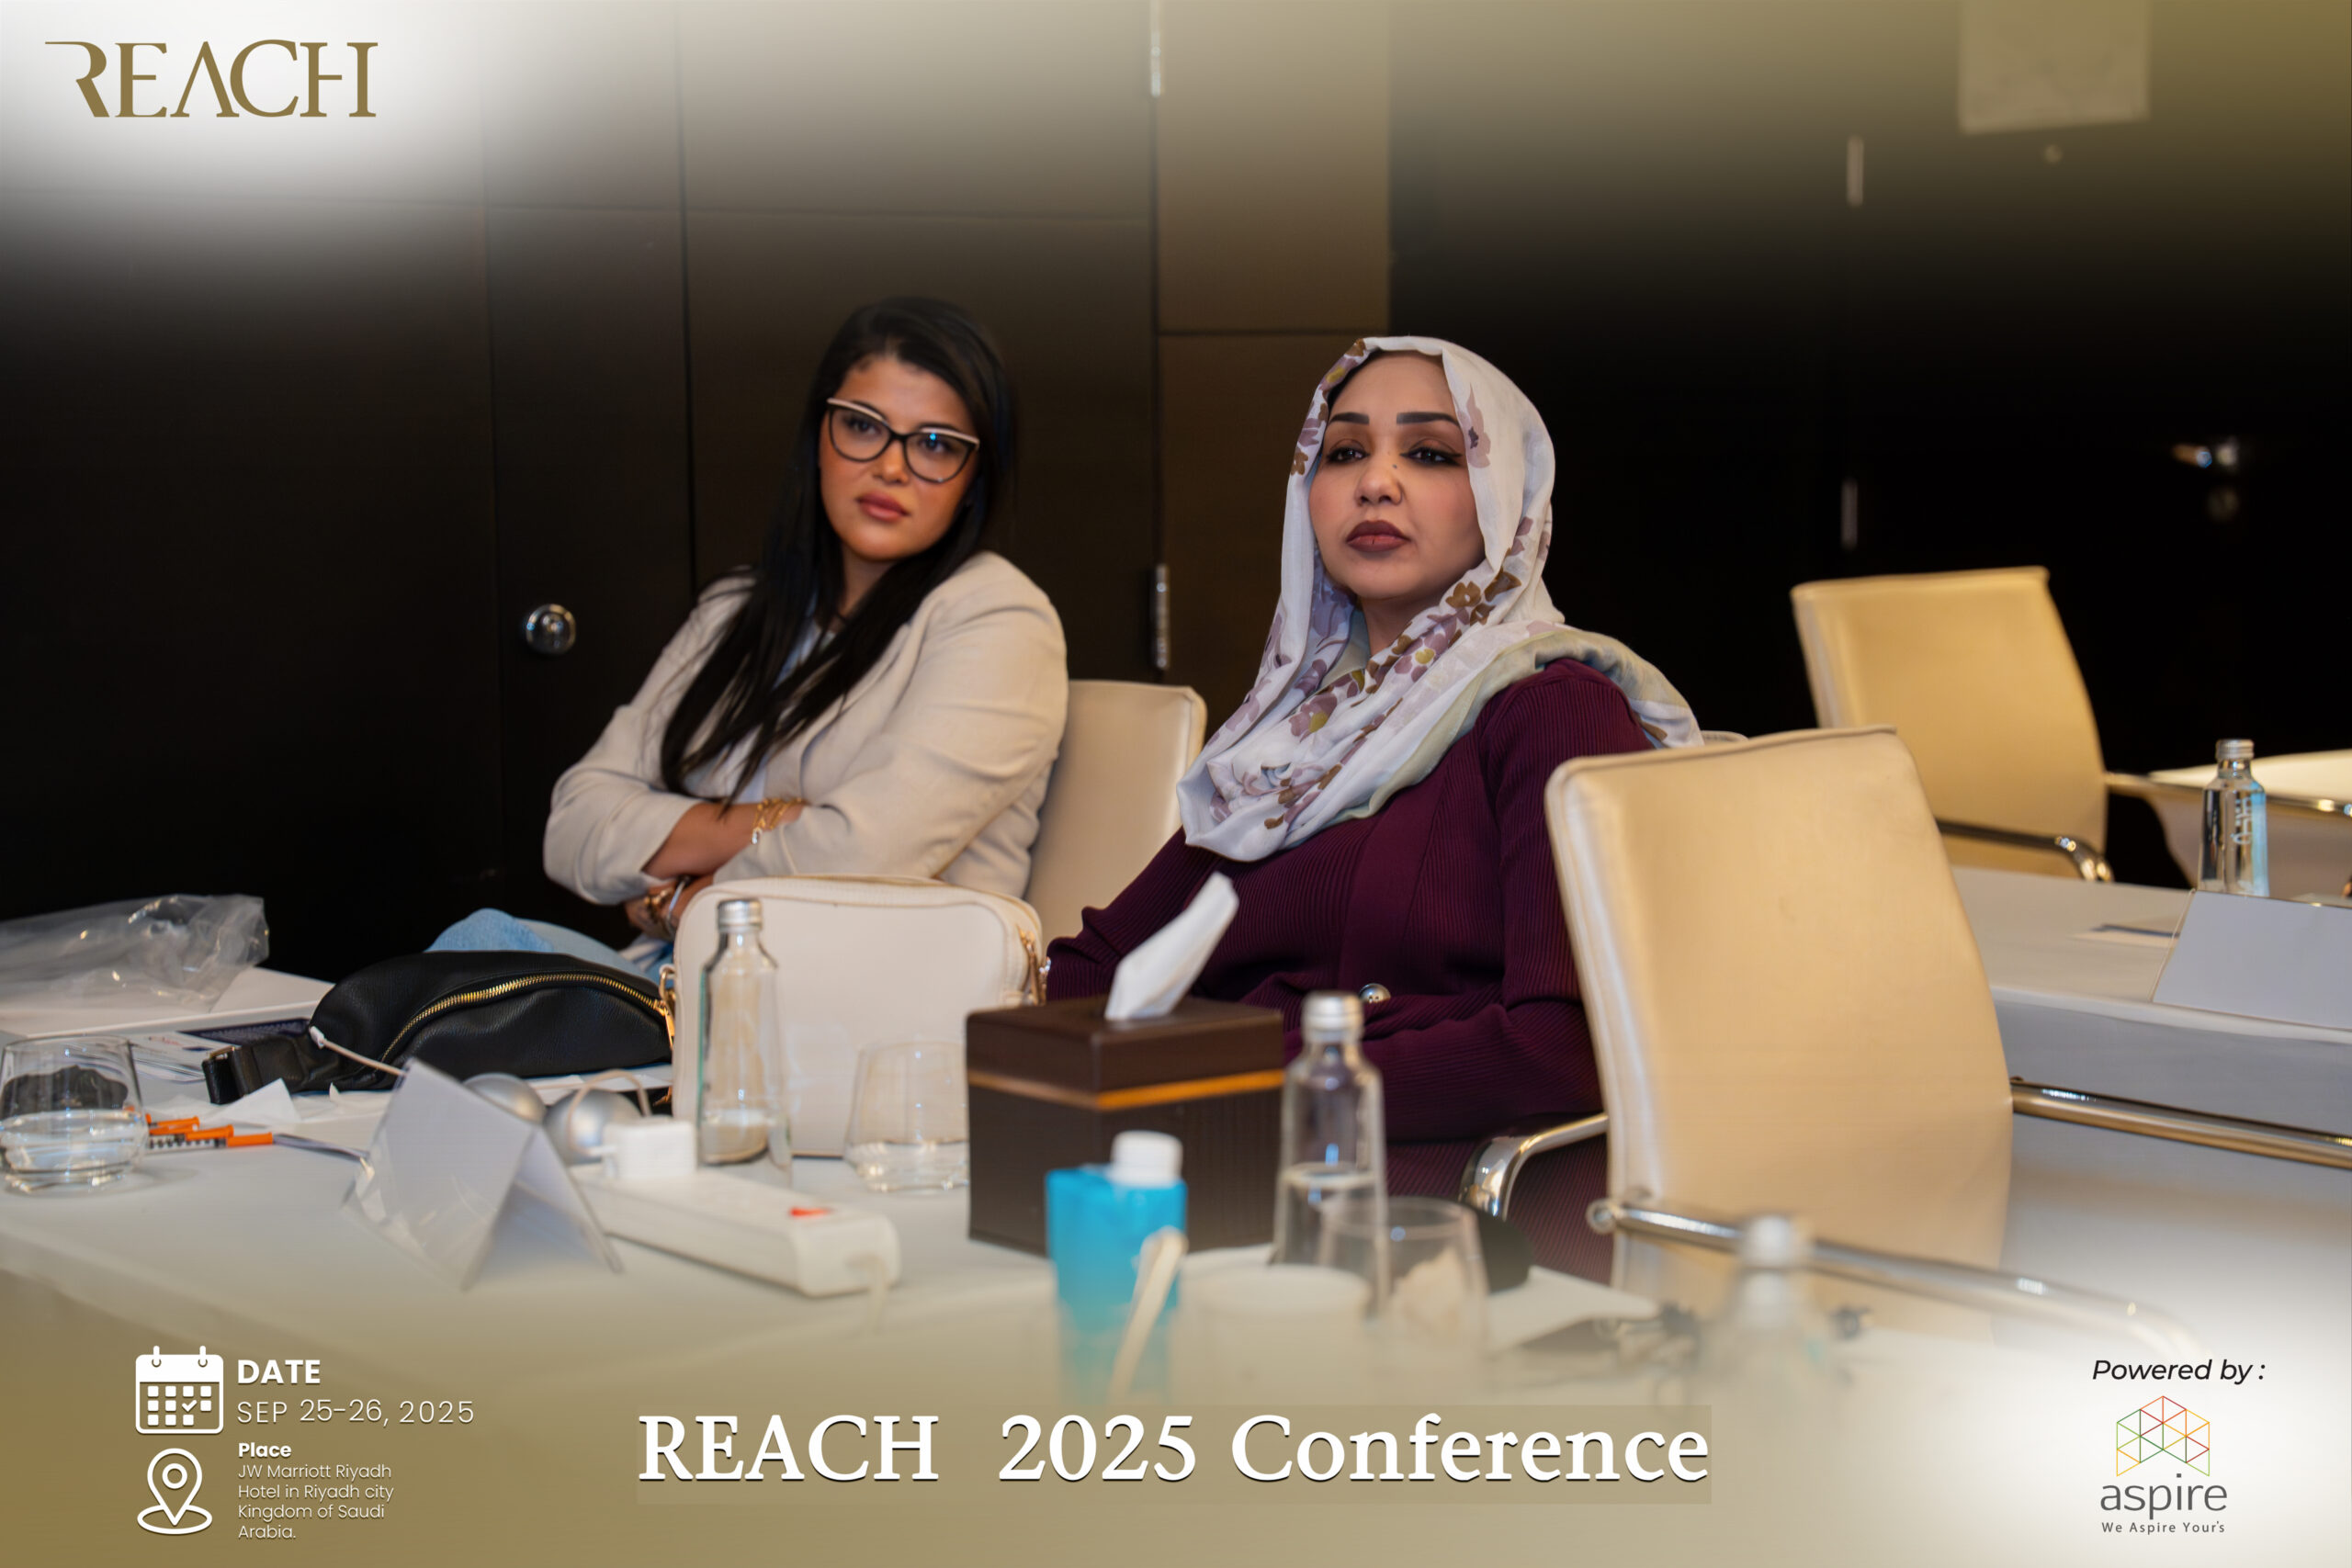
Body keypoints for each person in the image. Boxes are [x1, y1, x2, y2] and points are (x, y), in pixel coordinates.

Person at [1045, 337, 1702, 1277]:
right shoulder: (1291, 738)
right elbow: (1091, 973)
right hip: (1235, 1180)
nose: (1375, 483)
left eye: (1430, 453)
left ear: (1504, 496)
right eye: (1344, 451)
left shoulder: (1554, 707)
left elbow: (1560, 1046)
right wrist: (1286, 1051)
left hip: (1444, 1223)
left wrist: (1274, 1056)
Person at [436, 298, 1068, 973]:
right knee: (479, 946)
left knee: (477, 966)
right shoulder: (737, 609)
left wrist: (678, 900)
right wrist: (776, 820)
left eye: (936, 444)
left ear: (974, 479)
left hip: (865, 994)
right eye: (862, 426)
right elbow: (574, 826)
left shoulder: (998, 618)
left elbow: (863, 855)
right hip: (682, 979)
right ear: (819, 436)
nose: (891, 467)